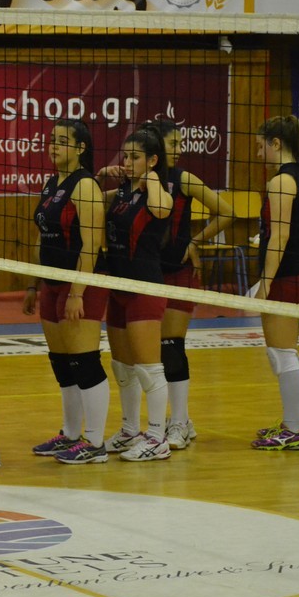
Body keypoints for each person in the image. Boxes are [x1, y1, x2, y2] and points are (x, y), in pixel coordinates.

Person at [25, 119, 111, 464]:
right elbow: (40, 237)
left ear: (80, 148)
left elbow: (91, 245)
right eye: (52, 140)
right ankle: (71, 434)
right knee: (62, 362)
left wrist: (77, 292)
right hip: (51, 280)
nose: (54, 146)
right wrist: (33, 283)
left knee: (84, 360)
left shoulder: (85, 185)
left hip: (81, 282)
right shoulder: (51, 183)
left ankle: (95, 442)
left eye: (62, 141)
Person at [149, 119, 233, 450]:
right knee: (151, 354)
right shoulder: (143, 178)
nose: (180, 149)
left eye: (181, 143)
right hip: (149, 273)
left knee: (171, 346)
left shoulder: (183, 179)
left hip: (178, 273)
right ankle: (173, 420)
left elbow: (226, 212)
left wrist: (195, 242)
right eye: (173, 144)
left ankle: (180, 422)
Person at [102, 126, 174, 461]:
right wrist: (100, 176)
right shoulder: (122, 191)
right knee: (122, 367)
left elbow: (162, 210)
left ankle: (157, 437)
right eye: (125, 156)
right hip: (117, 285)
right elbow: (90, 200)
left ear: (153, 160)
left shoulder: (157, 190)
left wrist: (152, 179)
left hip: (144, 287)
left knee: (149, 368)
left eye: (135, 157)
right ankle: (130, 430)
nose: (127, 162)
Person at [249, 116, 299, 450]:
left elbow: (279, 236)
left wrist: (265, 283)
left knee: (282, 353)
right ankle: (295, 421)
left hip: (286, 275)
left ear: (276, 143)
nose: (258, 153)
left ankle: (293, 429)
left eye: (260, 146)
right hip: (298, 270)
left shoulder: (281, 181)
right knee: (283, 352)